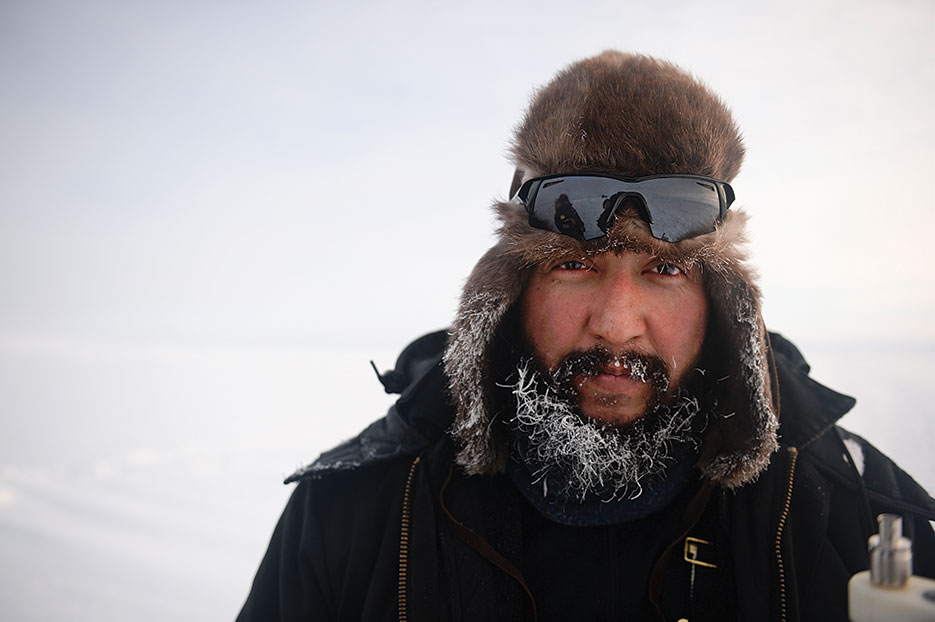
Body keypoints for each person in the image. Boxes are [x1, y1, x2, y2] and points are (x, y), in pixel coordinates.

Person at [237, 51, 935, 621]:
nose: (615, 323)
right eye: (573, 265)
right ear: (510, 292)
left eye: (664, 270)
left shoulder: (857, 515)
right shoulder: (356, 512)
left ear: (720, 302)